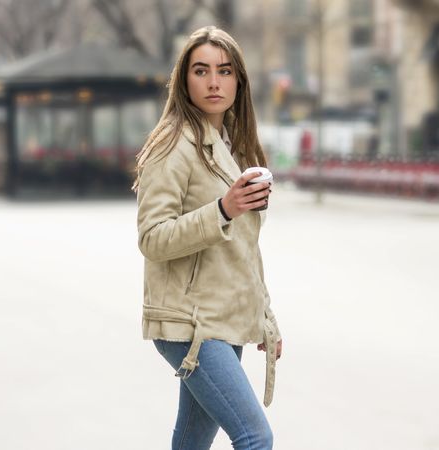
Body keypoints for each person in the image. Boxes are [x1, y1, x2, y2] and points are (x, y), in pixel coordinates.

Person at [133, 26, 282, 450]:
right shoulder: (172, 144)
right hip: (190, 323)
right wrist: (222, 209)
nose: (214, 81)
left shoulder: (232, 145)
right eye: (201, 71)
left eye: (224, 70)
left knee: (192, 442)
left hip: (223, 317)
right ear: (184, 80)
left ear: (239, 80)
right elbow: (152, 237)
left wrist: (266, 318)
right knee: (255, 437)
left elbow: (244, 248)